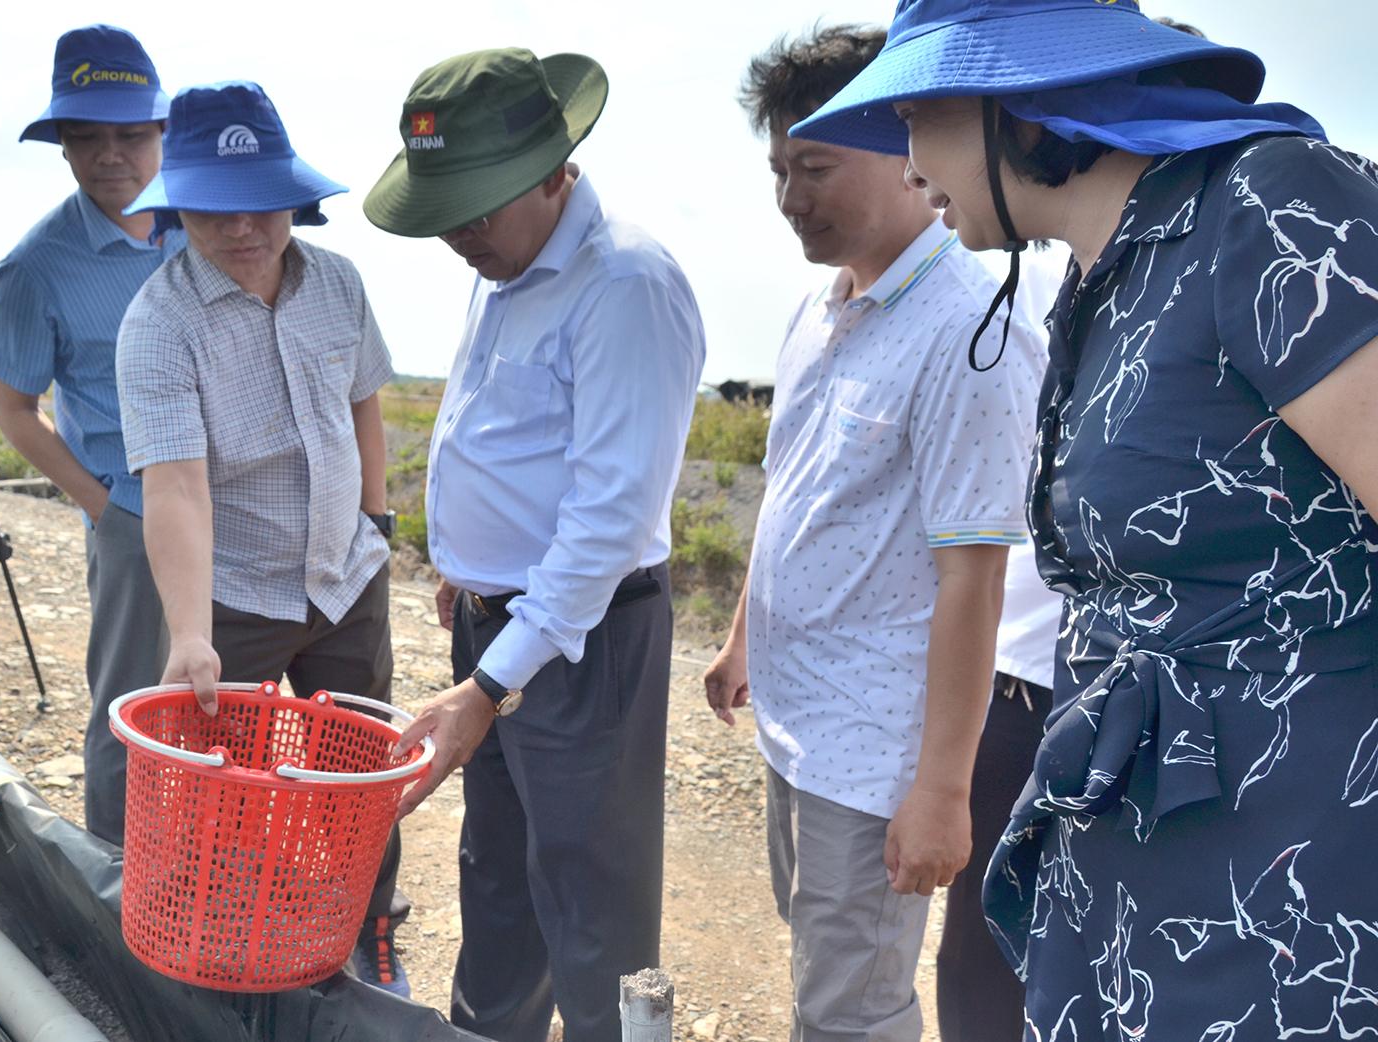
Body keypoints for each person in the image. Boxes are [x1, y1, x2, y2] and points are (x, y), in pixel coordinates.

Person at [793, 1, 1378, 1036]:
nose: (907, 159)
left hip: (1289, 861)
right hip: (1141, 839)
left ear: (1011, 101)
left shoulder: (1264, 204)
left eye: (919, 113)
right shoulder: (1105, 270)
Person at [703, 26, 1044, 1041]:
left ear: (910, 151)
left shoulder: (970, 331)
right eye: (777, 169)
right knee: (819, 965)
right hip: (799, 722)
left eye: (813, 166)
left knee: (851, 1007)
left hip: (875, 750)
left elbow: (974, 581)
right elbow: (794, 489)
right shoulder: (822, 306)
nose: (788, 196)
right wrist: (739, 637)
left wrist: (942, 788)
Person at [365, 49, 706, 1042]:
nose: (459, 237)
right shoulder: (507, 264)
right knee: (501, 878)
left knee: (590, 904)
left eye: (476, 211)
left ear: (557, 169)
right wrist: (465, 580)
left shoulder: (624, 285)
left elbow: (607, 518)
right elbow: (508, 442)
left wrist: (486, 684)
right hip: (502, 627)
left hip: (579, 641)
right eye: (447, 215)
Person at [114, 81, 411, 996]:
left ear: (293, 195)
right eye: (212, 210)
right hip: (237, 590)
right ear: (179, 206)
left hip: (342, 579)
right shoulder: (159, 325)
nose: (243, 229)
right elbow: (175, 484)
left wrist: (377, 521)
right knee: (221, 793)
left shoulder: (339, 284)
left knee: (359, 783)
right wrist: (190, 631)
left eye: (261, 206)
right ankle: (222, 954)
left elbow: (364, 403)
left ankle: (367, 932)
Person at [0, 24, 182, 847]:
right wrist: (104, 508)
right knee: (131, 706)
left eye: (132, 133)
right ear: (61, 146)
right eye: (87, 137)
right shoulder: (38, 266)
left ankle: (203, 875)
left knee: (225, 697)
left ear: (163, 134)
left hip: (234, 507)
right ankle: (119, 884)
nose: (111, 155)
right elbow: (14, 408)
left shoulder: (205, 230)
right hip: (133, 512)